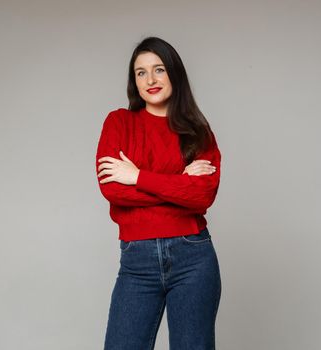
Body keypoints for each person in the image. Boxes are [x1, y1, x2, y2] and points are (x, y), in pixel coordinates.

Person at [95, 36, 222, 350]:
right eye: (140, 72)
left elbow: (202, 196)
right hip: (137, 263)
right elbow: (113, 190)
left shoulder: (197, 130)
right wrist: (180, 182)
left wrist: (136, 176)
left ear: (174, 74)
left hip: (194, 259)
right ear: (133, 81)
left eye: (159, 69)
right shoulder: (119, 123)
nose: (150, 80)